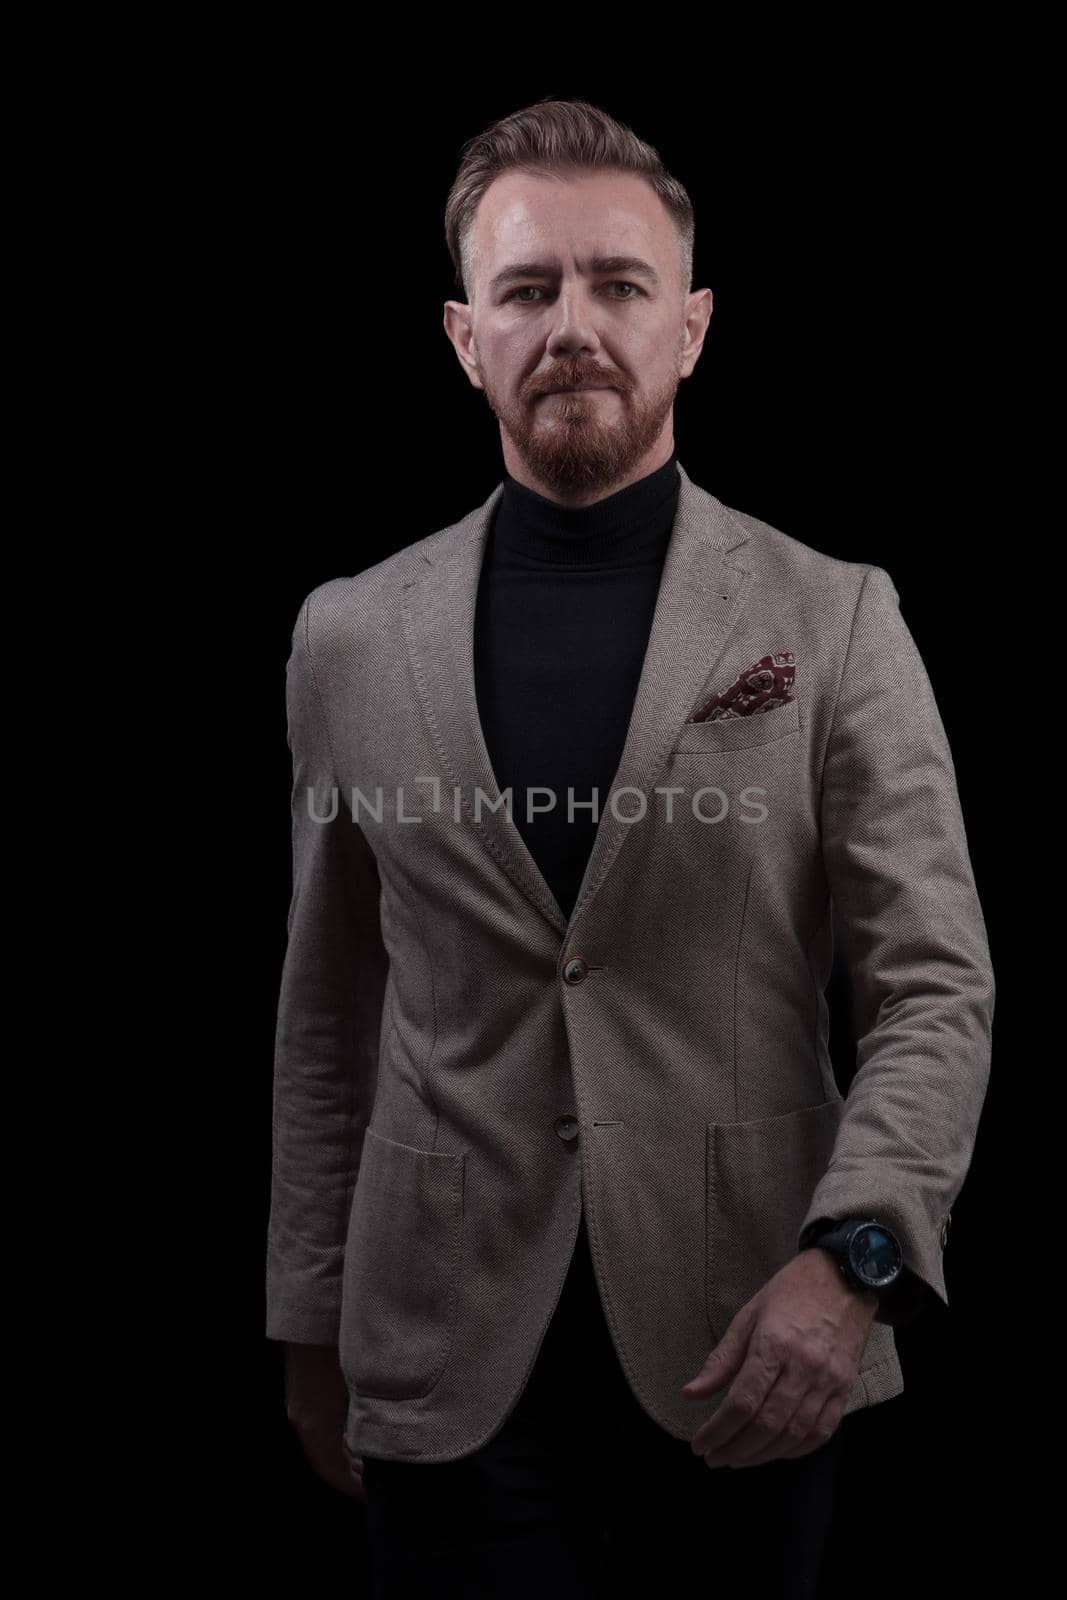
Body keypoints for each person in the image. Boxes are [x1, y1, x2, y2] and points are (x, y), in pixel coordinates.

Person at [266, 98, 994, 1597]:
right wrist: (311, 1313)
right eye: (529, 291)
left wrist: (854, 1264)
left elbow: (934, 985)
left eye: (620, 284)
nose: (574, 325)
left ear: (695, 326)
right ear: (468, 337)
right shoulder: (345, 636)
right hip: (439, 1347)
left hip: (749, 1348)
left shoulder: (832, 616)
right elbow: (328, 1014)